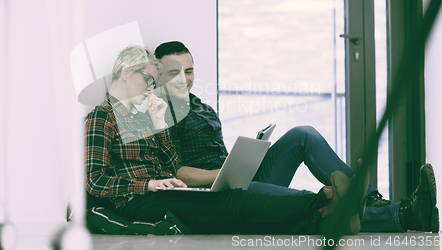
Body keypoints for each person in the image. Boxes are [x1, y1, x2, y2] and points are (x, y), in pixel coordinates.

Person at [154, 40, 440, 233]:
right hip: (216, 195)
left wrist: (244, 160)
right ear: (158, 75)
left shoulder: (202, 108)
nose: (184, 79)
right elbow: (175, 173)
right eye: (174, 72)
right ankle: (403, 214)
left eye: (189, 71)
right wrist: (222, 174)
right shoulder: (159, 113)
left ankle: (370, 198)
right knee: (312, 202)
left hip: (237, 181)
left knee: (303, 134)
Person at [84, 45, 365, 235]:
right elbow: (94, 181)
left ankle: (326, 213)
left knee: (236, 206)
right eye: (148, 79)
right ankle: (325, 199)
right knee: (235, 205)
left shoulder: (145, 117)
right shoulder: (102, 117)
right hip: (137, 200)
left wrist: (160, 127)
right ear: (125, 73)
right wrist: (147, 184)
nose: (150, 88)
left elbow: (170, 166)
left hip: (161, 192)